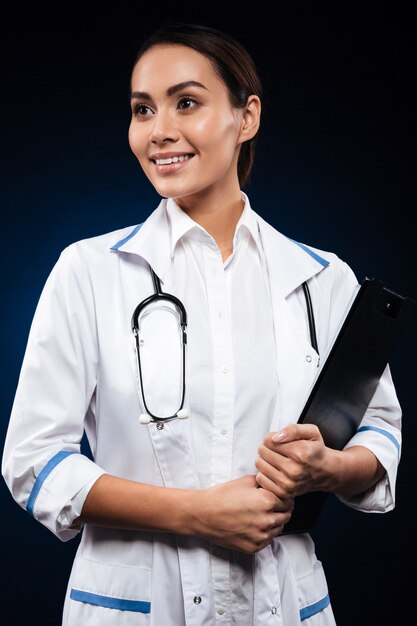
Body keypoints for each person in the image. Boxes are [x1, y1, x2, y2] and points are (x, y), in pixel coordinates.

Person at [2, 22, 401, 626]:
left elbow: (379, 431)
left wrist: (332, 467)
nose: (160, 130)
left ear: (247, 117)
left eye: (186, 102)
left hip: (283, 605)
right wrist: (196, 514)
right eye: (142, 110)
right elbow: (33, 461)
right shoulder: (87, 272)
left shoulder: (324, 278)